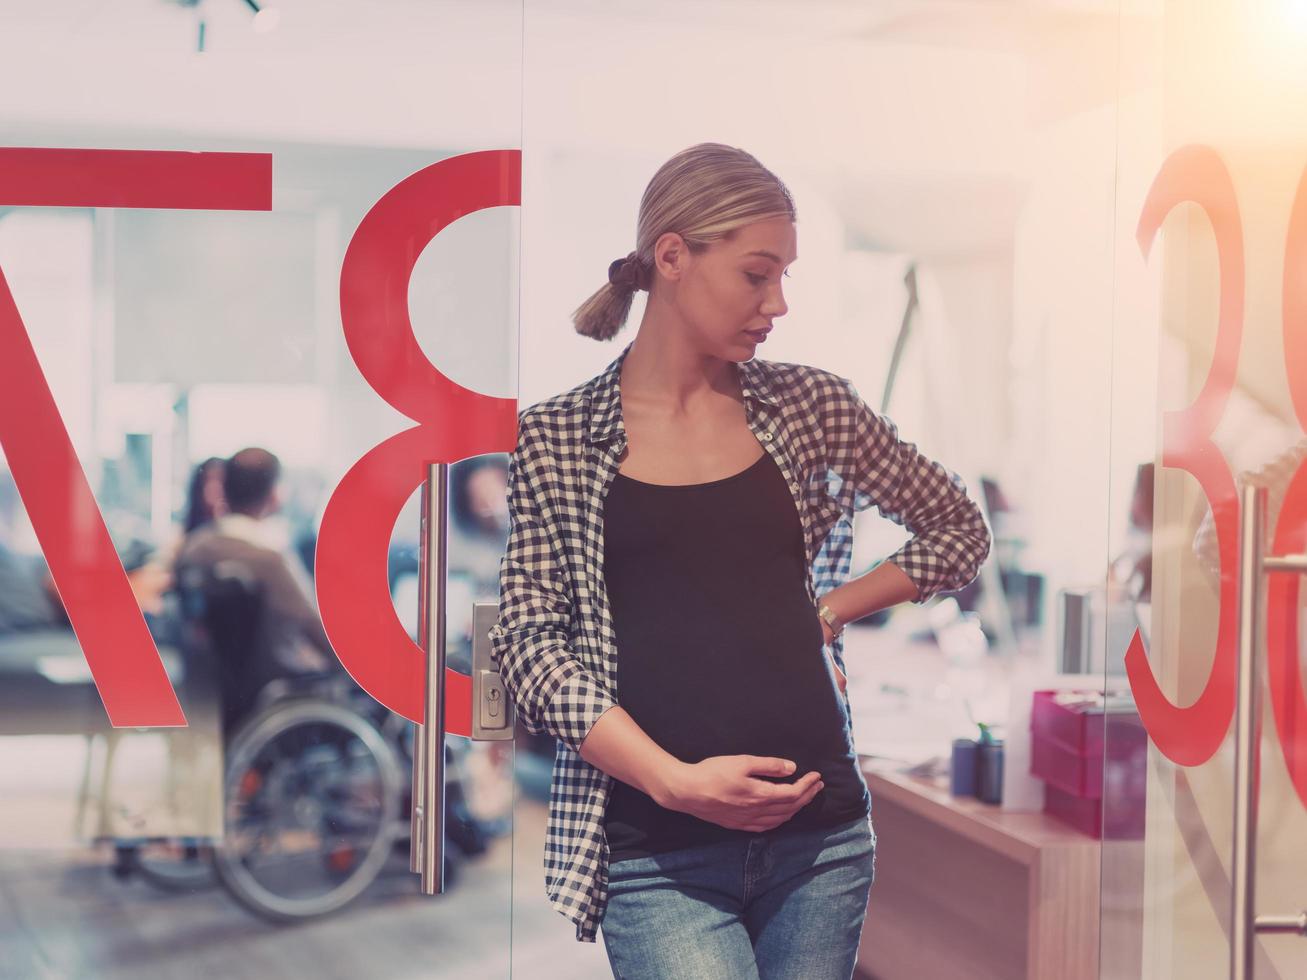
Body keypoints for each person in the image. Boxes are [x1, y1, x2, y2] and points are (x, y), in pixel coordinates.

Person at [489, 143, 992, 978]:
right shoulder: (559, 437)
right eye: (758, 274)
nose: (778, 303)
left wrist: (829, 611)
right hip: (658, 856)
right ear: (674, 256)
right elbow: (529, 648)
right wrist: (670, 781)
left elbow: (955, 527)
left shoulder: (808, 405)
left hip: (822, 842)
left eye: (784, 277)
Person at [175, 447, 335, 712]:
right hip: (275, 683)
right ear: (275, 494)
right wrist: (352, 665)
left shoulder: (195, 548)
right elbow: (312, 623)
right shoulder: (269, 559)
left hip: (213, 687)